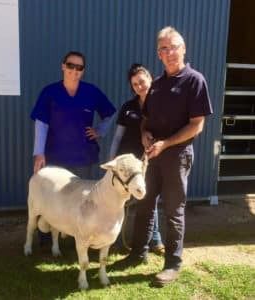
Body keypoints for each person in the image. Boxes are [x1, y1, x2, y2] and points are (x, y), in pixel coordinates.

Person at [120, 27, 213, 286]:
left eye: (173, 47)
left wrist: (167, 143)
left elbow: (197, 125)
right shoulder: (157, 85)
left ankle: (172, 264)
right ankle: (138, 253)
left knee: (174, 210)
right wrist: (145, 135)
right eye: (163, 49)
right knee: (144, 204)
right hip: (154, 155)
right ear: (158, 55)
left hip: (178, 155)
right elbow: (145, 120)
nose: (169, 53)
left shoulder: (195, 81)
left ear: (183, 49)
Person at [30, 51, 116, 245]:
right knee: (51, 199)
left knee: (81, 200)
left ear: (83, 71)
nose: (74, 70)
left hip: (83, 157)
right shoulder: (50, 92)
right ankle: (46, 240)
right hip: (54, 156)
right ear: (63, 66)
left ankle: (77, 239)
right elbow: (41, 123)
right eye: (70, 65)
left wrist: (99, 131)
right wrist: (38, 153)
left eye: (79, 68)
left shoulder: (91, 92)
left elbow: (109, 113)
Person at [109, 64, 164, 254]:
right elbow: (117, 137)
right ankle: (116, 240)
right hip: (126, 166)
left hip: (150, 162)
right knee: (121, 201)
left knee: (149, 199)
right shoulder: (128, 107)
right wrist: (112, 161)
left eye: (142, 81)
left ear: (150, 79)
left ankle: (155, 240)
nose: (139, 86)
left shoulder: (161, 105)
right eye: (135, 84)